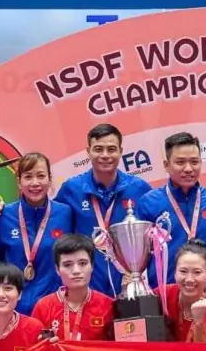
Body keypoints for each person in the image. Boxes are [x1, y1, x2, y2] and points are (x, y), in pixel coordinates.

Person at [55, 123, 151, 296]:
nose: (105, 155)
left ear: (121, 151)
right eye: (98, 149)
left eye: (111, 149)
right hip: (87, 285)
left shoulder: (139, 188)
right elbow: (50, 220)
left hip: (130, 284)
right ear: (88, 151)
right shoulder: (71, 189)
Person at [136, 132, 206, 288]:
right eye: (180, 162)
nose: (188, 169)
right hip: (163, 293)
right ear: (166, 165)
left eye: (194, 162)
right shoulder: (148, 203)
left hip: (205, 292)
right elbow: (139, 256)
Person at [0, 153, 71, 315]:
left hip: (54, 307)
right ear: (18, 182)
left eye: (41, 176)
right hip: (14, 309)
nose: (35, 183)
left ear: (50, 179)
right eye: (28, 177)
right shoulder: (4, 215)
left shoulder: (65, 213)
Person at [31, 234, 114, 342]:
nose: (76, 271)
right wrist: (44, 345)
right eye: (67, 265)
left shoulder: (108, 306)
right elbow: (34, 347)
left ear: (92, 266)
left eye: (83, 263)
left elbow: (118, 349)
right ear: (57, 269)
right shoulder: (43, 307)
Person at [156, 238, 206, 342]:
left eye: (197, 272)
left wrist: (199, 323)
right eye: (183, 271)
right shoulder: (163, 295)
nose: (189, 279)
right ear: (175, 272)